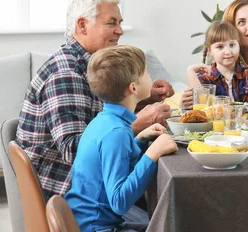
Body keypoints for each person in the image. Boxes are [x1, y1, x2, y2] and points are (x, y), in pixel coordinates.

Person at [16, 0, 173, 199]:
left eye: (120, 22)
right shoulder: (66, 74)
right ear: (83, 25)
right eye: (112, 23)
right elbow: (73, 150)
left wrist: (142, 97)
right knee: (161, 190)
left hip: (87, 179)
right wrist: (135, 125)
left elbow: (100, 117)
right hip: (67, 191)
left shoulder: (92, 66)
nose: (120, 30)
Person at [65, 45, 177, 232]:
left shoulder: (104, 121)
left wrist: (140, 140)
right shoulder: (116, 133)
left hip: (86, 220)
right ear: (133, 87)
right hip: (96, 227)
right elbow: (119, 202)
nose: (150, 77)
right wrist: (152, 154)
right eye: (147, 73)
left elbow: (112, 160)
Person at [182, 21, 248, 105]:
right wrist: (190, 71)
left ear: (239, 45)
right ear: (210, 50)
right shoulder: (204, 78)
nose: (228, 51)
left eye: (232, 45)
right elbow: (198, 106)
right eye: (220, 47)